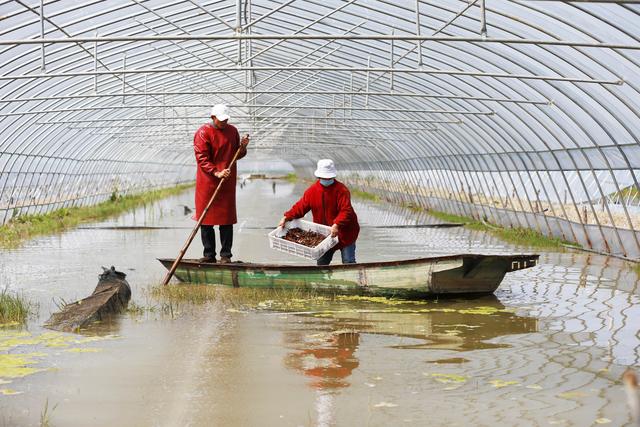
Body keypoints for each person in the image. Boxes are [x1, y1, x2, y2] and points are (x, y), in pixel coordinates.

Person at [194, 104, 249, 263]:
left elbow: (236, 155)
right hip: (208, 182)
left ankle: (225, 256)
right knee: (206, 219)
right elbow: (202, 159)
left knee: (226, 219)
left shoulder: (233, 131)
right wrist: (216, 172)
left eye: (226, 120)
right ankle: (209, 255)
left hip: (227, 181)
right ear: (213, 117)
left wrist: (243, 147)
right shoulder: (203, 133)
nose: (224, 123)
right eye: (221, 120)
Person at [278, 159, 359, 265]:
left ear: (333, 176)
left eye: (329, 177)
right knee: (322, 263)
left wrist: (337, 224)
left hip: (346, 232)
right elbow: (300, 207)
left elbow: (346, 210)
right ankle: (323, 281)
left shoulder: (341, 190)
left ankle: (353, 279)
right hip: (324, 235)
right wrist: (287, 217)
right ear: (319, 177)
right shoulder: (312, 191)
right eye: (324, 177)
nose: (326, 179)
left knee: (348, 261)